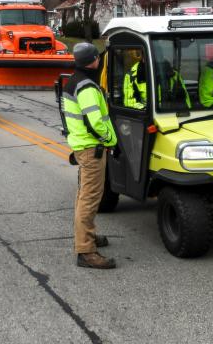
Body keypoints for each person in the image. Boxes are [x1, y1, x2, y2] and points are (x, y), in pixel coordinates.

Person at [62, 42, 119, 270]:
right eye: (98, 58)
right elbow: (95, 121)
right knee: (89, 199)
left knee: (84, 196)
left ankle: (87, 237)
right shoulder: (86, 87)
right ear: (94, 60)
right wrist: (111, 140)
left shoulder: (74, 80)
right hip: (91, 149)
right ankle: (86, 251)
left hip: (82, 147)